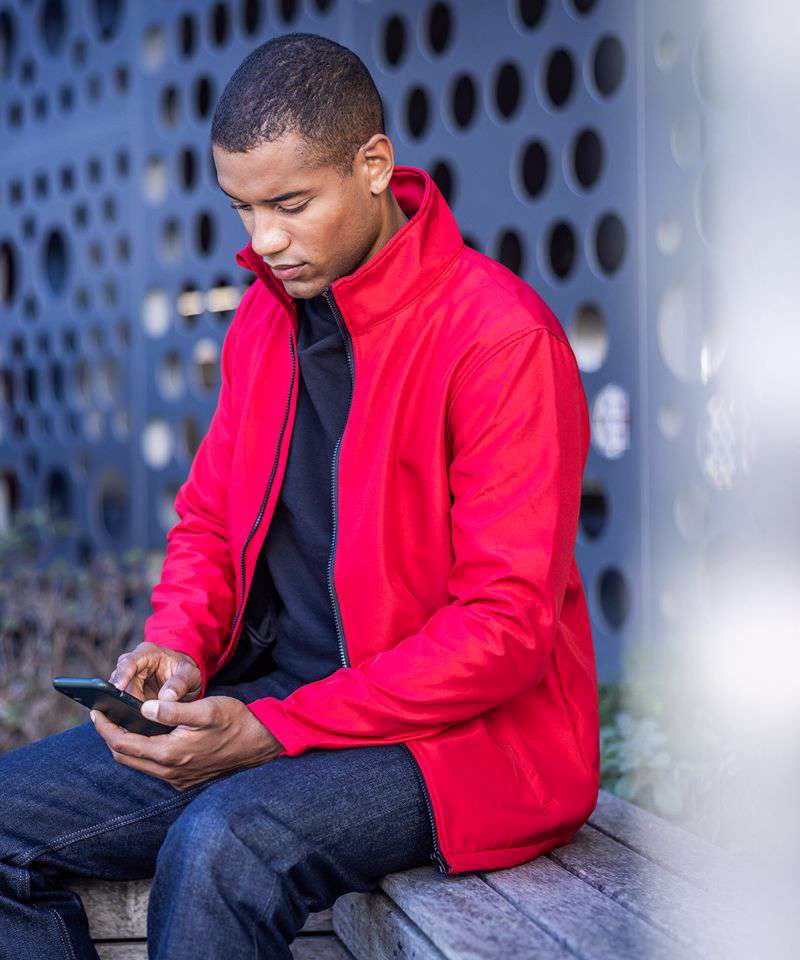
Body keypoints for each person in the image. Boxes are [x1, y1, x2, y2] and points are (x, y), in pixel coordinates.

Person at [0, 31, 599, 959]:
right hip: (287, 702)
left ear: (373, 166)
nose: (263, 241)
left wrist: (272, 731)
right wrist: (178, 643)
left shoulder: (500, 339)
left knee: (222, 847)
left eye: (290, 204)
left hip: (460, 742)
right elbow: (209, 519)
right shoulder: (264, 321)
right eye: (242, 207)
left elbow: (504, 630)